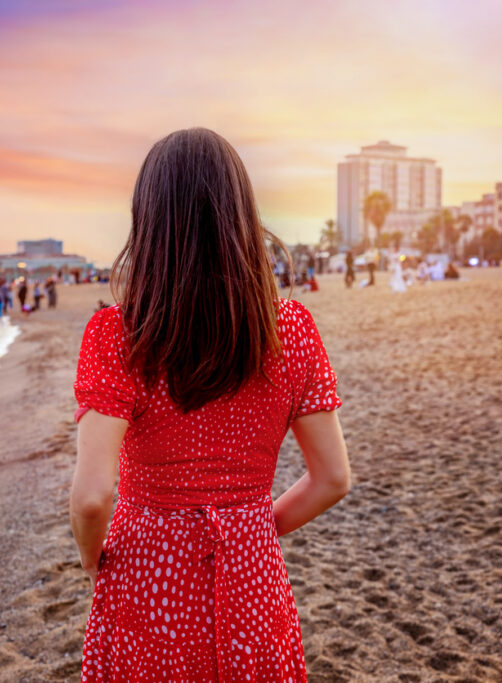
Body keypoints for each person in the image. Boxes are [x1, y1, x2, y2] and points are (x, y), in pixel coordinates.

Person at [70, 128, 350, 682]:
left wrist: (90, 558)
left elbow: (91, 498)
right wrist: (249, 525)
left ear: (148, 223)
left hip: (147, 579)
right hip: (254, 581)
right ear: (241, 218)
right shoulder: (288, 330)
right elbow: (332, 479)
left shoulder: (118, 336)